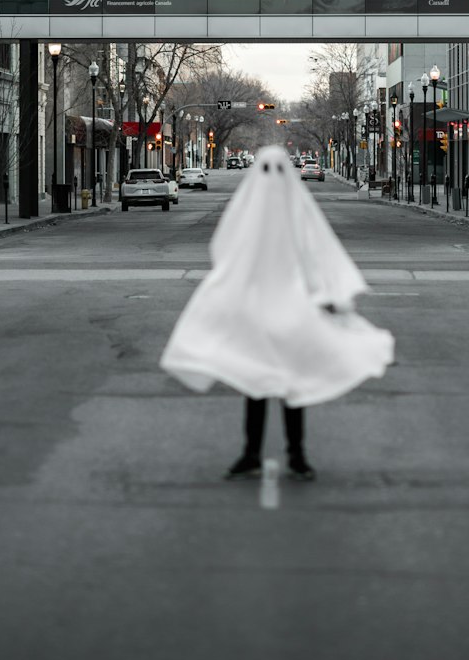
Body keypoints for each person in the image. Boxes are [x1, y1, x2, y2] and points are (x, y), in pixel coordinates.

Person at [160, 145, 394, 482]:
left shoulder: (288, 216)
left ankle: (291, 454)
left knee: (286, 387)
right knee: (261, 386)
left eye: (277, 171)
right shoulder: (255, 216)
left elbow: (315, 256)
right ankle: (259, 454)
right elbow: (231, 257)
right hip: (263, 311)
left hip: (290, 310)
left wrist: (329, 297)